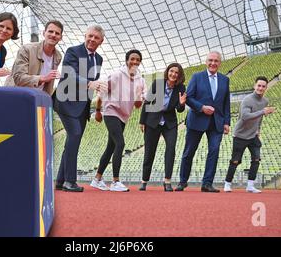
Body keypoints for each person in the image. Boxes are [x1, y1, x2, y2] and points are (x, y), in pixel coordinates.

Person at [54, 24, 107, 192]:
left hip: (82, 106)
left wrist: (95, 90)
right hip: (65, 101)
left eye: (96, 38)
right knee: (75, 135)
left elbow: (93, 83)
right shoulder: (73, 51)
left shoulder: (98, 59)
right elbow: (69, 75)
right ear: (85, 36)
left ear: (101, 41)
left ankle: (61, 181)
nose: (92, 39)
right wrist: (90, 83)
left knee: (72, 141)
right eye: (90, 36)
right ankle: (70, 181)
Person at [90, 49, 147, 192]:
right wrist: (98, 111)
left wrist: (140, 98)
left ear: (140, 62)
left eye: (137, 60)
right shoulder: (116, 75)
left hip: (124, 115)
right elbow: (102, 92)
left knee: (111, 147)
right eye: (132, 59)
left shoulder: (141, 80)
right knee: (120, 144)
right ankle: (115, 181)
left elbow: (138, 105)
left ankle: (97, 179)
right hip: (111, 111)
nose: (134, 62)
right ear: (126, 60)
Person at [176, 51, 231, 192]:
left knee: (214, 151)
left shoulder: (225, 80)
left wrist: (227, 122)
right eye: (210, 60)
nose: (213, 63)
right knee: (189, 151)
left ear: (220, 63)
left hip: (217, 122)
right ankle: (182, 181)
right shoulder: (197, 77)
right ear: (206, 62)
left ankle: (207, 183)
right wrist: (201, 107)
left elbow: (226, 103)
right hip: (197, 120)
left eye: (216, 61)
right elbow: (188, 97)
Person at [139, 63, 186, 192]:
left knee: (171, 149)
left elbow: (179, 109)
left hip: (169, 123)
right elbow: (147, 102)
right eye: (171, 71)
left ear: (179, 75)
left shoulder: (181, 88)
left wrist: (181, 104)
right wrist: (142, 121)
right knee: (149, 151)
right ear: (167, 72)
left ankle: (167, 181)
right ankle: (144, 180)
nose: (173, 74)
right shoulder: (158, 83)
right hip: (152, 121)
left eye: (176, 72)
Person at [224, 76, 275, 193]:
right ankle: (227, 183)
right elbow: (245, 116)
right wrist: (263, 111)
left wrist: (258, 130)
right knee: (235, 161)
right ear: (254, 86)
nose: (261, 88)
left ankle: (250, 185)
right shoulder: (247, 100)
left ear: (266, 88)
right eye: (259, 85)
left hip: (253, 135)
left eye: (263, 86)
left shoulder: (265, 101)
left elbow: (260, 118)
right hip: (240, 135)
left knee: (256, 159)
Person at [4, 20, 63, 95]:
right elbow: (18, 78)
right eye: (50, 31)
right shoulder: (27, 49)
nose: (53, 35)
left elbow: (49, 83)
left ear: (61, 37)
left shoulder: (58, 56)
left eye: (57, 33)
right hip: (16, 94)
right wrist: (42, 78)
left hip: (38, 97)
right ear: (44, 33)